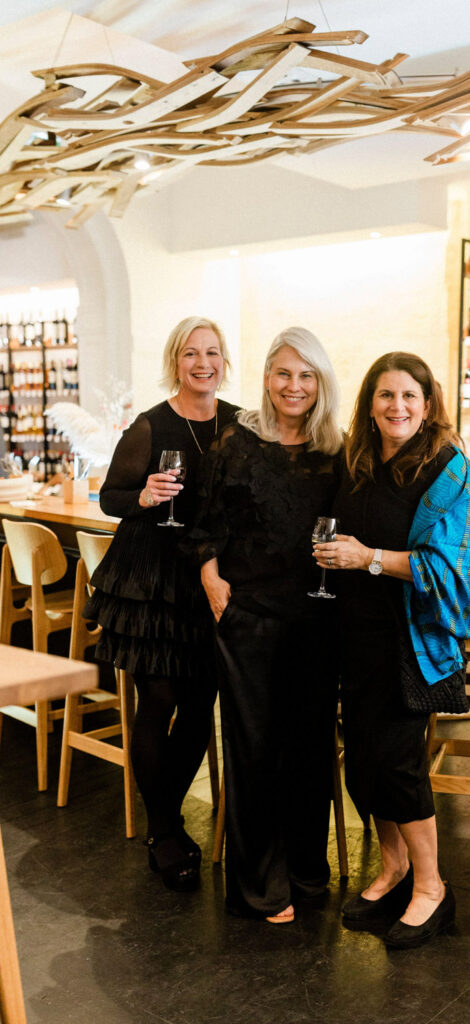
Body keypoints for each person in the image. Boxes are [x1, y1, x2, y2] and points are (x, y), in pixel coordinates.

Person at [314, 351, 470, 949]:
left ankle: (433, 888)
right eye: (385, 396)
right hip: (354, 634)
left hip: (410, 641)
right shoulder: (358, 461)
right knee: (361, 762)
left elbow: (448, 568)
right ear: (370, 405)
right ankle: (394, 868)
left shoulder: (448, 472)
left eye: (409, 396)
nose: (397, 407)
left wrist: (368, 559)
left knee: (398, 763)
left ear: (428, 404)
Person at [188, 326, 343, 924]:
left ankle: (306, 870)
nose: (294, 386)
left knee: (308, 748)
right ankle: (258, 887)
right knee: (254, 750)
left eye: (306, 375)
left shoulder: (337, 450)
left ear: (321, 382)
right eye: (283, 373)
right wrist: (211, 579)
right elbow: (202, 522)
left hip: (315, 616)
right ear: (266, 378)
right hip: (248, 616)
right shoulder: (236, 442)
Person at [85, 316, 239, 891]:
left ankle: (168, 817)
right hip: (153, 577)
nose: (203, 364)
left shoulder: (238, 422)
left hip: (207, 576)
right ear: (176, 361)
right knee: (160, 700)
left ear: (224, 361)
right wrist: (146, 494)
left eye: (212, 354)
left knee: (201, 705)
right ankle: (163, 828)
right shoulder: (151, 425)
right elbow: (109, 497)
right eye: (191, 354)